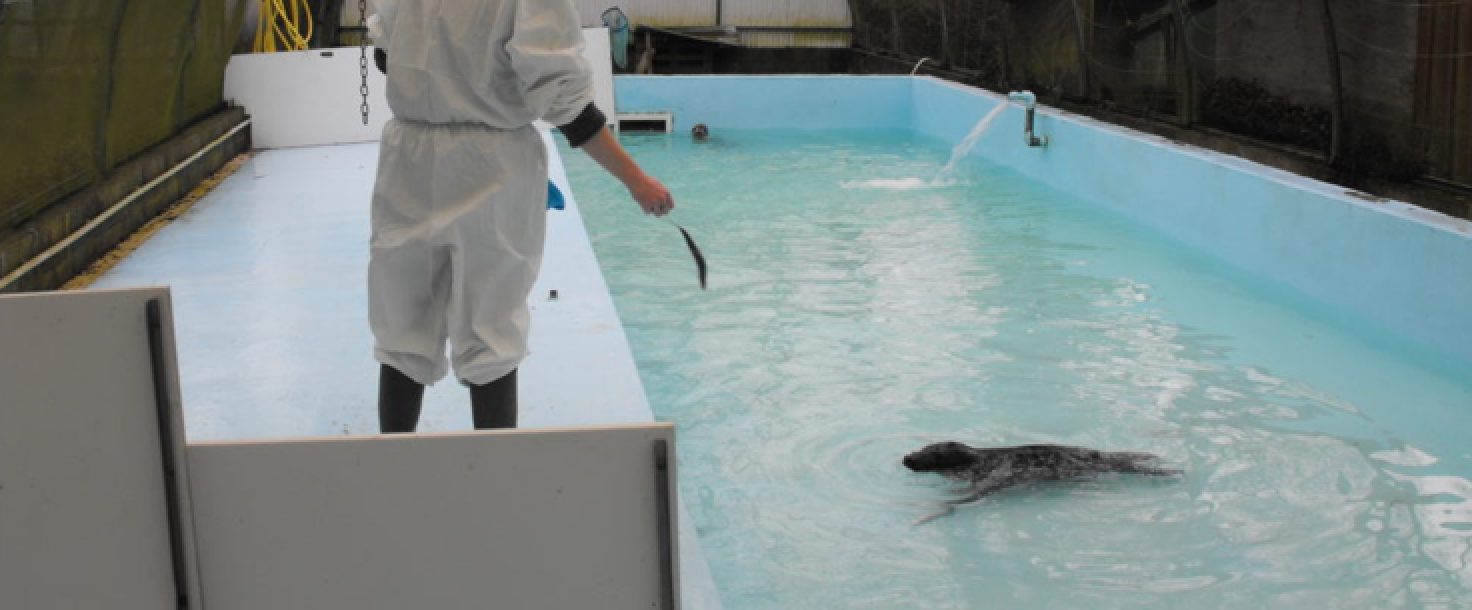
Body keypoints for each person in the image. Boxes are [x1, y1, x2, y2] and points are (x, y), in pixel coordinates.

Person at [367, 0, 673, 433]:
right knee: (491, 329)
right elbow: (566, 104)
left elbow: (385, 55)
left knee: (402, 324)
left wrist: (443, 74)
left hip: (409, 159)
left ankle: (388, 469)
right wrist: (635, 179)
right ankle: (496, 477)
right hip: (492, 167)